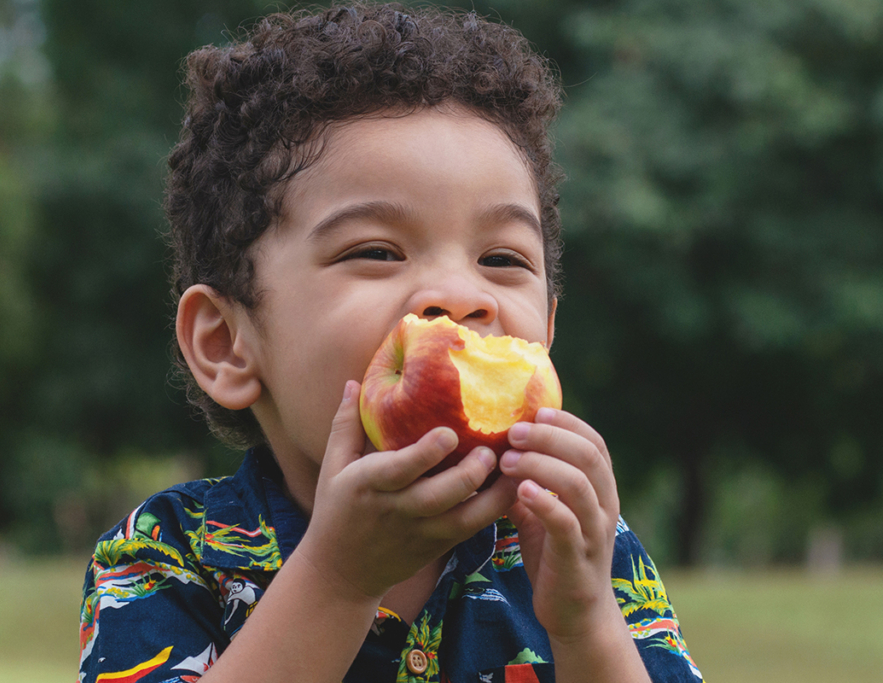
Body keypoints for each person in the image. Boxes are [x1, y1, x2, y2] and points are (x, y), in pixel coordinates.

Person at [77, 4, 704, 682]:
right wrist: (338, 579)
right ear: (227, 342)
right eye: (377, 250)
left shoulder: (586, 548)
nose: (460, 296)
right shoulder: (166, 554)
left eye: (502, 259)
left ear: (547, 330)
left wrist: (585, 623)